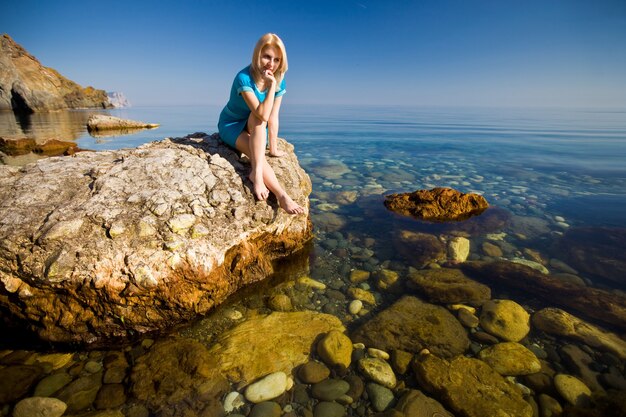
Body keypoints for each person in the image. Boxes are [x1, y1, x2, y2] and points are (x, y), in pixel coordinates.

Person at [218, 33, 305, 215]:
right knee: (256, 147)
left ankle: (261, 177)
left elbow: (273, 116)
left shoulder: (280, 80)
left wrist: (273, 148)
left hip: (255, 124)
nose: (270, 64)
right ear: (258, 54)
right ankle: (279, 193)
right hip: (232, 124)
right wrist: (271, 85)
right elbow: (263, 114)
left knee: (259, 121)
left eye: (276, 59)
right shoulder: (244, 78)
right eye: (267, 57)